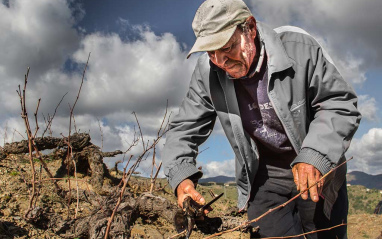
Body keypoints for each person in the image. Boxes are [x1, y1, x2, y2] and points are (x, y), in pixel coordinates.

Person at [162, 0, 361, 238]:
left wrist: (315, 154)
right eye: (211, 52)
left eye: (228, 47)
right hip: (265, 175)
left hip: (318, 167)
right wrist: (182, 177)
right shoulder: (208, 72)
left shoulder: (299, 49)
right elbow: (184, 127)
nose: (221, 62)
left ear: (251, 28)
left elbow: (339, 103)